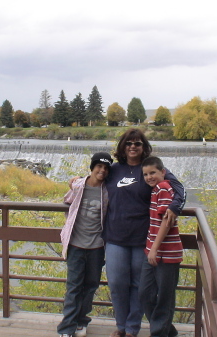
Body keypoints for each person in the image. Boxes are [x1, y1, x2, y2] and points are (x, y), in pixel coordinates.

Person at [102, 129, 185, 337]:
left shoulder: (152, 168)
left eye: (137, 143)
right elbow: (93, 181)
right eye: (128, 143)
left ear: (143, 146)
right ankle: (121, 326)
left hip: (143, 239)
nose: (132, 146)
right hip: (115, 237)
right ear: (122, 146)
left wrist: (174, 208)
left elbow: (178, 188)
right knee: (117, 285)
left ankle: (132, 329)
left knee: (140, 287)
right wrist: (75, 182)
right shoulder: (113, 170)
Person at [57, 152, 113, 337]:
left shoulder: (108, 190)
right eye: (99, 166)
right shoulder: (79, 185)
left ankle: (81, 320)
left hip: (97, 247)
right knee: (74, 286)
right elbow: (67, 199)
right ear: (92, 167)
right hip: (76, 245)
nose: (102, 170)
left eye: (105, 168)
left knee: (90, 286)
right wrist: (73, 181)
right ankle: (66, 328)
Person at [139, 156, 183, 337]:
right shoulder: (156, 189)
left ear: (163, 172)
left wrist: (155, 248)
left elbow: (167, 221)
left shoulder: (164, 188)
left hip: (167, 254)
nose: (149, 177)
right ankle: (167, 331)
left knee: (164, 297)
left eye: (153, 173)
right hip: (152, 252)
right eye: (146, 174)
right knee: (144, 294)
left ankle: (159, 333)